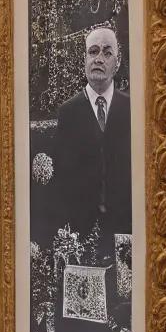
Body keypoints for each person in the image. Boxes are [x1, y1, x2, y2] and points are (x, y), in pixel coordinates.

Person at [51, 25, 131, 252]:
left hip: (124, 228)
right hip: (80, 232)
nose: (99, 59)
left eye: (107, 53)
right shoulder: (68, 112)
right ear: (84, 59)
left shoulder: (132, 109)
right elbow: (61, 178)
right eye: (93, 51)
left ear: (117, 61)